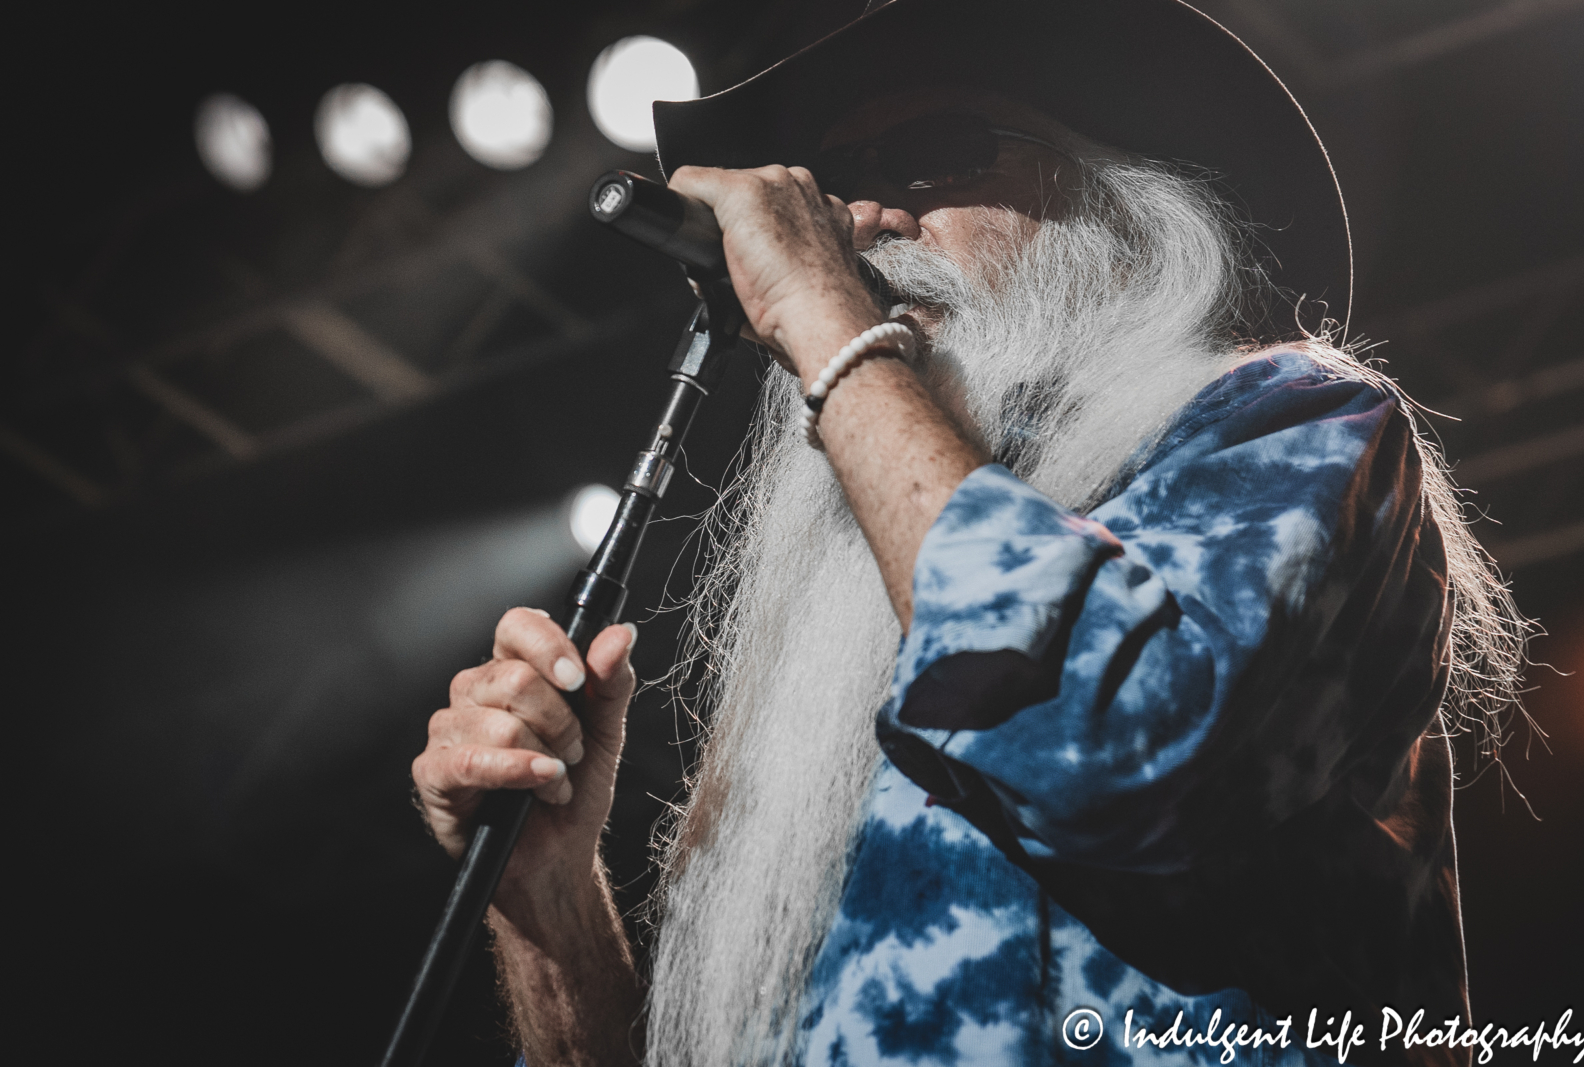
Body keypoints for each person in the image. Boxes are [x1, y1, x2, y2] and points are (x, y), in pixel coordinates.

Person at [410, 1, 1527, 1063]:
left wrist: (821, 315)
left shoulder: (1284, 419)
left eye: (932, 156)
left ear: (1119, 203)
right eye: (836, 187)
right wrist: (549, 899)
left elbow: (1117, 745)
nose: (858, 223)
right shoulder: (836, 641)